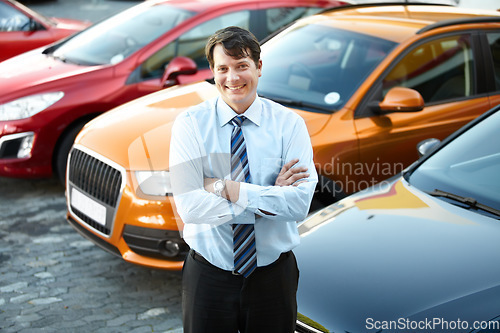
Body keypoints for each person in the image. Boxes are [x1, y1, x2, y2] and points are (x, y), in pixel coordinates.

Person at [169, 26, 318, 333]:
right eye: (223, 68)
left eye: (242, 66)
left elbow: (299, 205)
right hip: (208, 276)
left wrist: (225, 187)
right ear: (212, 71)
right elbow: (190, 208)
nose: (232, 78)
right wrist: (269, 198)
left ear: (259, 67)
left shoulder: (290, 125)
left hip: (273, 278)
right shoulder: (190, 125)